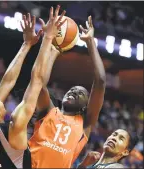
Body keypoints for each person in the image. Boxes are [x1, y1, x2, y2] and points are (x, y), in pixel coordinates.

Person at [0, 6, 66, 168]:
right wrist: (47, 39)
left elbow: (7, 82)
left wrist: (27, 44)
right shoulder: (13, 129)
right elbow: (36, 81)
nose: (0, 97)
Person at [28, 16, 106, 168]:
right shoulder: (48, 111)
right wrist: (53, 51)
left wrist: (90, 42)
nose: (74, 92)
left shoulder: (85, 123)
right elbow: (39, 83)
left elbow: (100, 82)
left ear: (85, 107)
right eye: (72, 90)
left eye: (80, 94)